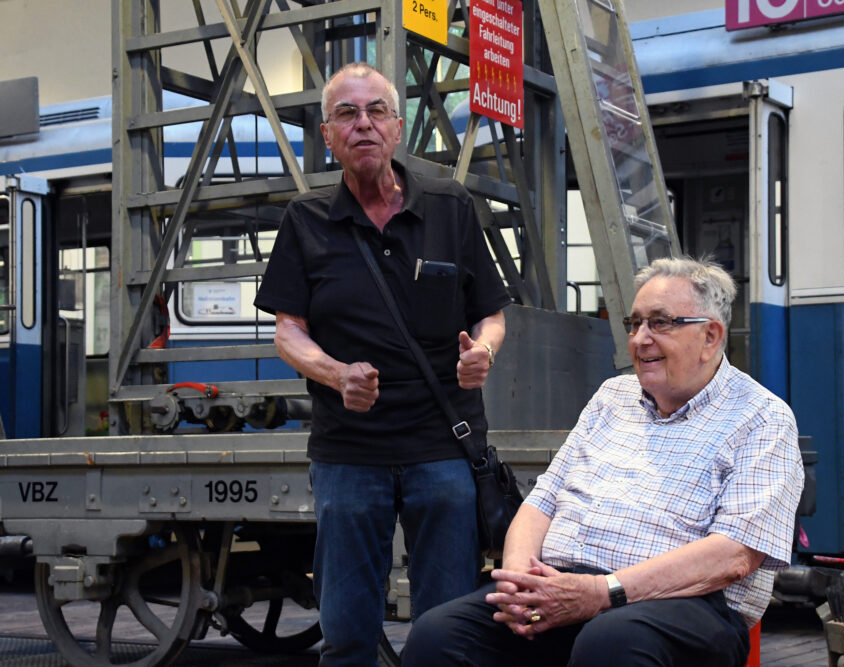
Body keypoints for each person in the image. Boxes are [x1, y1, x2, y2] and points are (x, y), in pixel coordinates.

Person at [403, 256, 804, 667]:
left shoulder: (761, 418)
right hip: (564, 587)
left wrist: (602, 592)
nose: (640, 339)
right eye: (635, 324)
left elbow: (733, 556)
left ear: (711, 336)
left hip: (683, 603)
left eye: (660, 323)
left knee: (610, 642)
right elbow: (542, 502)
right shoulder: (612, 397)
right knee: (438, 636)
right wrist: (521, 583)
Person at [253, 62, 510, 666]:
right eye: (347, 113)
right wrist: (335, 374)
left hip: (443, 447)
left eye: (376, 112)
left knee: (447, 629)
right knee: (344, 630)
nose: (362, 123)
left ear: (397, 129)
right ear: (327, 134)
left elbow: (492, 314)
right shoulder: (306, 219)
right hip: (349, 454)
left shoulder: (450, 206)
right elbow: (287, 331)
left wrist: (484, 352)